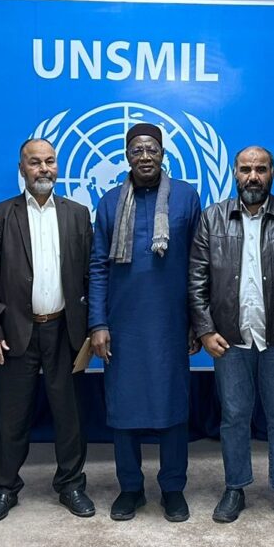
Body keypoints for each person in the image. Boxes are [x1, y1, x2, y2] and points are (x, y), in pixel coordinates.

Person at [188, 145, 274, 529]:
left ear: (273, 172)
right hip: (229, 339)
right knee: (233, 418)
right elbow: (196, 280)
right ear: (235, 173)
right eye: (246, 169)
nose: (253, 176)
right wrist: (205, 330)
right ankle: (235, 487)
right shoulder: (212, 218)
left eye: (260, 169)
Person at [0, 138, 95, 522]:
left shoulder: (78, 214)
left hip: (65, 330)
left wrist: (94, 326)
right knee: (11, 417)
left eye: (49, 161)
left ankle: (71, 484)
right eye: (34, 162)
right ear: (21, 168)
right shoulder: (0, 215)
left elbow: (91, 275)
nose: (43, 169)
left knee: (70, 415)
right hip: (15, 333)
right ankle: (4, 488)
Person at [89, 122, 203, 522]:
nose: (144, 156)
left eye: (151, 149)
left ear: (163, 154)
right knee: (124, 408)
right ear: (127, 157)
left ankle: (173, 487)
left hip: (171, 323)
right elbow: (98, 267)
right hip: (122, 325)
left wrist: (197, 321)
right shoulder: (108, 203)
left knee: (173, 406)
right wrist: (98, 323)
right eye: (136, 150)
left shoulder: (186, 198)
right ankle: (130, 488)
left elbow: (199, 264)